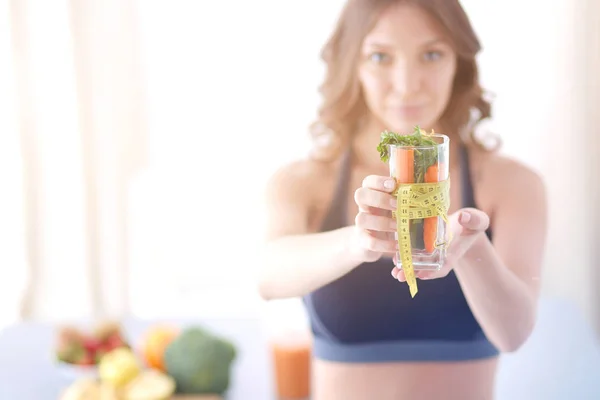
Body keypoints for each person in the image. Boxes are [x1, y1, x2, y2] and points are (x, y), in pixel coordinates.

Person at [259, 0, 548, 399]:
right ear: (352, 65)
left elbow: (514, 334)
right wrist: (359, 241)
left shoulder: (512, 184)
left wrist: (470, 246)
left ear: (458, 64)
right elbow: (268, 277)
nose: (408, 83)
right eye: (380, 56)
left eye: (432, 54)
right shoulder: (305, 181)